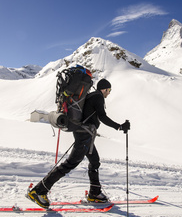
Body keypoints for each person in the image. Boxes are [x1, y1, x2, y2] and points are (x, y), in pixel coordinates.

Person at [28, 78, 130, 208]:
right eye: (109, 90)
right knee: (70, 164)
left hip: (84, 133)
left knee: (95, 161)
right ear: (103, 89)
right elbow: (102, 117)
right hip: (84, 135)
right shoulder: (98, 97)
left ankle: (95, 193)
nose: (109, 93)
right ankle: (38, 191)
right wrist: (119, 127)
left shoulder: (91, 96)